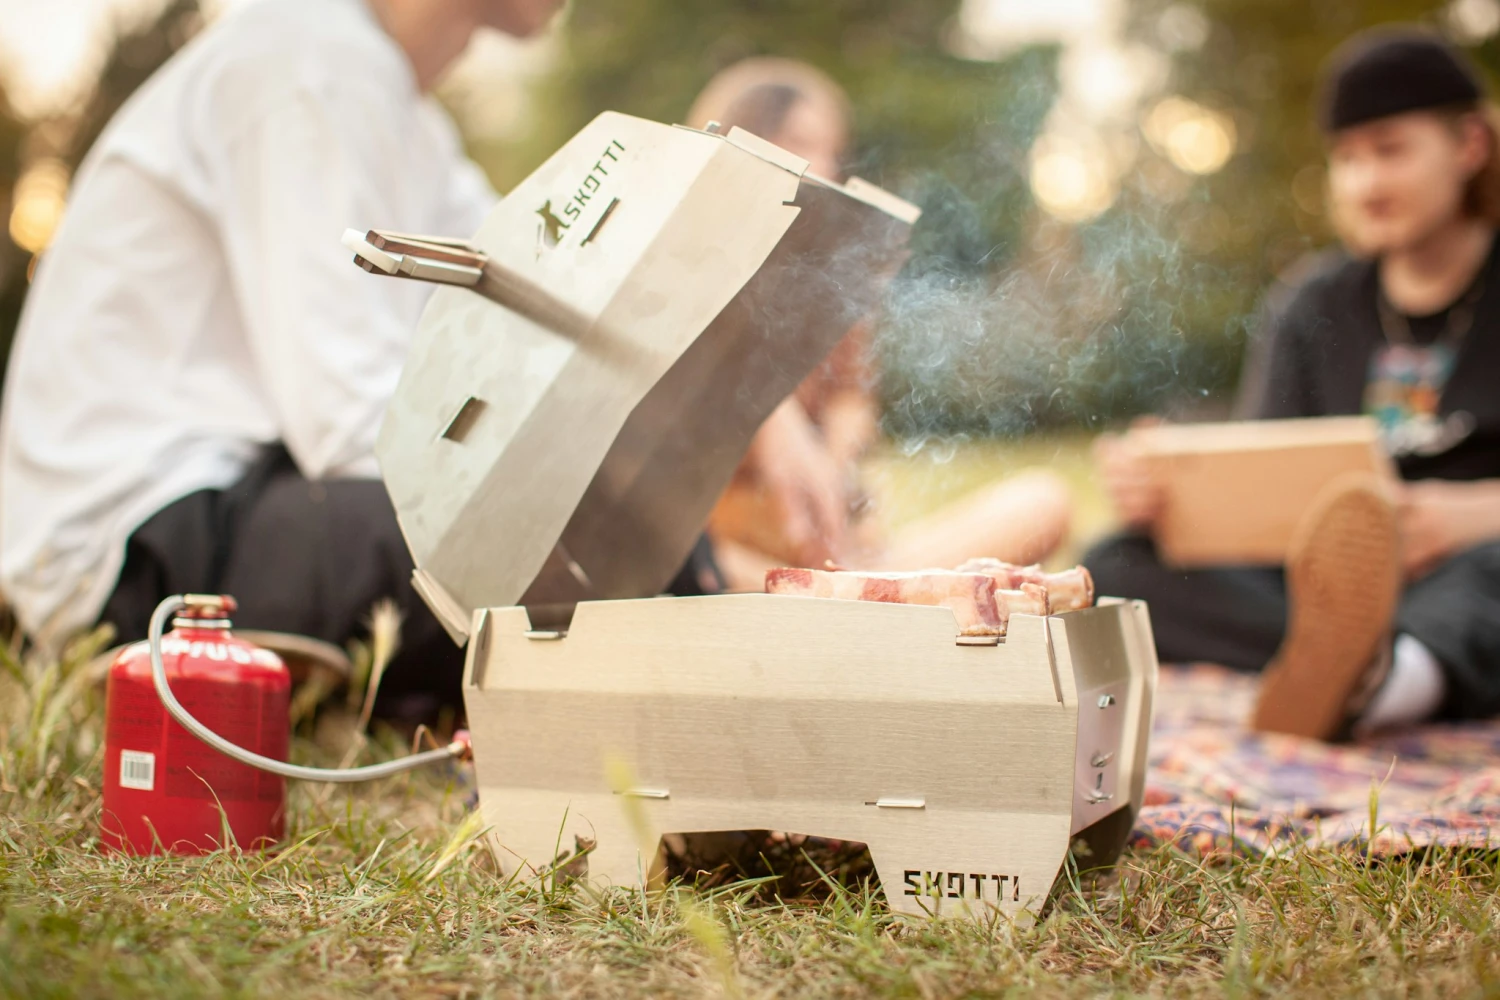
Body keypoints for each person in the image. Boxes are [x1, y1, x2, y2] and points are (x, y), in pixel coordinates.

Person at [0, 0, 667, 723]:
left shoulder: (406, 118)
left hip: (242, 496)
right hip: (137, 555)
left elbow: (548, 294)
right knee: (577, 543)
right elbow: (351, 423)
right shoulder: (310, 60)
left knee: (600, 522)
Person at [1088, 27, 1500, 741]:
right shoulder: (1312, 305)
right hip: (1321, 582)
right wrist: (1171, 496)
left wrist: (1471, 514)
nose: (1365, 183)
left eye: (1391, 150)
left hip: (1473, 563)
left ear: (1469, 145)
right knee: (1118, 566)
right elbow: (1265, 478)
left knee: (1485, 577)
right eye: (1347, 158)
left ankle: (1386, 675)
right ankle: (1357, 664)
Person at [687, 58, 1074, 590]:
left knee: (1043, 502)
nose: (823, 167)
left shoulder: (831, 274)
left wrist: (834, 466)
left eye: (832, 151)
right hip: (722, 552)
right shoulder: (684, 266)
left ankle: (859, 595)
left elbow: (852, 395)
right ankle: (857, 599)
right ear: (741, 138)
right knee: (701, 562)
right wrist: (773, 423)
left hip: (831, 553)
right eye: (800, 142)